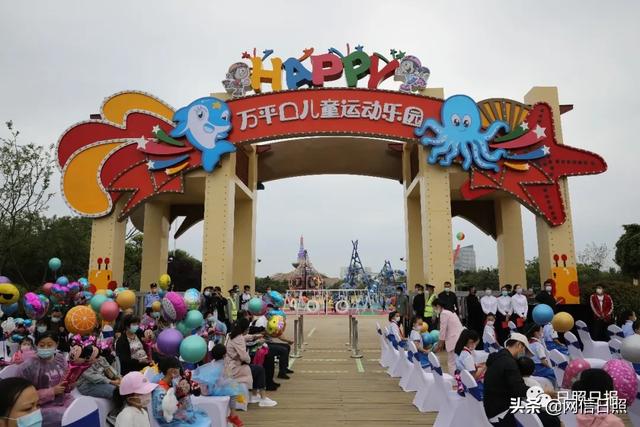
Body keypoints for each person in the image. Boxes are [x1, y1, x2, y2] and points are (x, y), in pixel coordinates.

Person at [483, 333, 560, 426]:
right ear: (519, 345)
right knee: (552, 419)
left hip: (491, 409)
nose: (523, 353)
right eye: (524, 349)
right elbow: (519, 389)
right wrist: (543, 393)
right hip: (503, 413)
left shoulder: (496, 357)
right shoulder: (509, 363)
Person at [18, 332, 73, 427]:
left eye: (50, 345)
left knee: (79, 411)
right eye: (42, 345)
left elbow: (66, 378)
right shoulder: (28, 366)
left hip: (63, 399)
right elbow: (22, 395)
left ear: (57, 344)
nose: (45, 348)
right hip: (38, 406)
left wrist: (70, 384)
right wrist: (51, 391)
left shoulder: (60, 359)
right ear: (36, 346)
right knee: (64, 417)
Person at [225, 318, 277, 407]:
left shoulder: (231, 335)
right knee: (260, 369)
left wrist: (257, 336)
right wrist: (249, 360)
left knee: (256, 368)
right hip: (233, 368)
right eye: (248, 329)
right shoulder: (238, 339)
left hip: (230, 365)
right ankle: (263, 398)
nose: (248, 330)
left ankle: (254, 395)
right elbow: (244, 356)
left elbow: (246, 337)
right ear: (244, 329)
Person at [193, 344, 245, 427]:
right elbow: (221, 382)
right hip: (212, 390)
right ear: (224, 355)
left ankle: (232, 415)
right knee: (233, 390)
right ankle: (232, 415)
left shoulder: (212, 364)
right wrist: (229, 381)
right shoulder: (222, 365)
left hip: (206, 389)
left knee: (233, 386)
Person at [151, 357, 210, 426]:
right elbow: (162, 415)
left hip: (178, 415)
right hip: (170, 422)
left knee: (201, 416)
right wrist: (181, 410)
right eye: (178, 368)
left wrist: (182, 396)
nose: (180, 370)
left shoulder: (172, 382)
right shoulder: (160, 392)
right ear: (172, 371)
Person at [432, 299, 464, 374]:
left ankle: (454, 381)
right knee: (457, 361)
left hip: (454, 339)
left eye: (434, 308)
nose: (434, 310)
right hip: (459, 338)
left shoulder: (444, 314)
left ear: (438, 306)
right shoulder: (449, 312)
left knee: (451, 362)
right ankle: (458, 380)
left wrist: (439, 344)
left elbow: (443, 330)